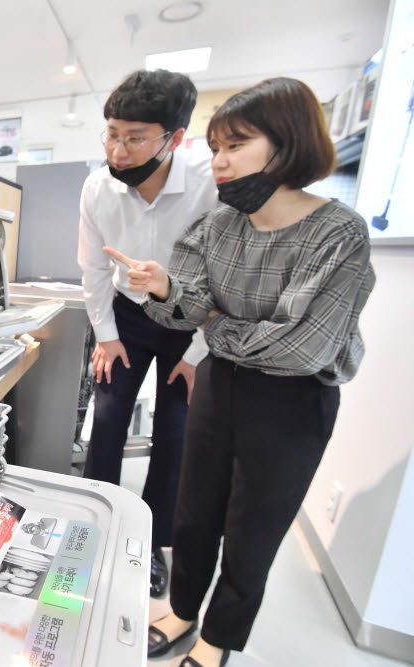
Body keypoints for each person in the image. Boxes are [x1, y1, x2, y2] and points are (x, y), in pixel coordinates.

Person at [105, 77, 375, 667]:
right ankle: (180, 611)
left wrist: (211, 321)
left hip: (294, 399)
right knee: (194, 506)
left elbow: (305, 347)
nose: (220, 162)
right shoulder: (219, 225)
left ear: (288, 143)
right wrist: (168, 288)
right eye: (216, 148)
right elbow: (190, 304)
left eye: (237, 145)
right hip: (220, 384)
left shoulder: (338, 232)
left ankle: (217, 639)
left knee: (254, 526)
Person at [77, 69, 217, 598]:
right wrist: (107, 337)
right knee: (107, 419)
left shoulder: (209, 182)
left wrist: (200, 353)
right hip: (127, 318)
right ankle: (97, 528)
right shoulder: (97, 187)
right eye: (112, 133)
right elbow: (91, 270)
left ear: (175, 138)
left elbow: (224, 275)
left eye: (135, 138)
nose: (119, 149)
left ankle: (151, 544)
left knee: (177, 433)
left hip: (190, 321)